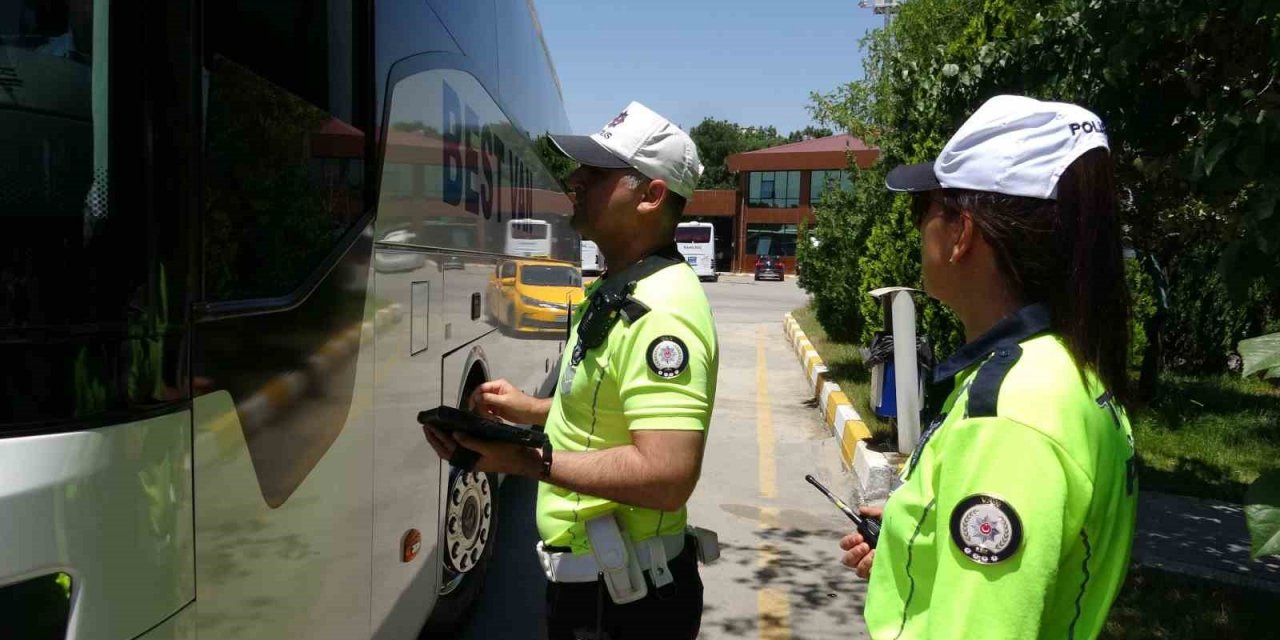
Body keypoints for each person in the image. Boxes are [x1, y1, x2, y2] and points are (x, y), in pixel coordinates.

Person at [838, 95, 1138, 639]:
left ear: (962, 234)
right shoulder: (1065, 370)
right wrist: (917, 532)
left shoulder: (1008, 416)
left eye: (922, 211)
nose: (918, 229)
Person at [424, 101, 716, 640]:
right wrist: (527, 411)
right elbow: (608, 415)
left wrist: (522, 457)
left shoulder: (664, 311)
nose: (574, 178)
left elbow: (668, 474)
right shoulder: (621, 284)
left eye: (598, 173)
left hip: (629, 604)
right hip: (600, 590)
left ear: (651, 196)